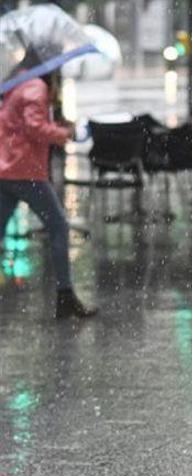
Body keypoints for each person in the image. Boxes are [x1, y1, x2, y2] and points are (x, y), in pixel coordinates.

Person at [0, 66, 98, 319]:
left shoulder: (17, 84)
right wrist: (63, 133)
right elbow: (34, 126)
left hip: (6, 167)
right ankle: (65, 295)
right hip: (26, 171)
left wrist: (53, 123)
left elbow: (19, 124)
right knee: (58, 226)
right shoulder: (36, 87)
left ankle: (66, 296)